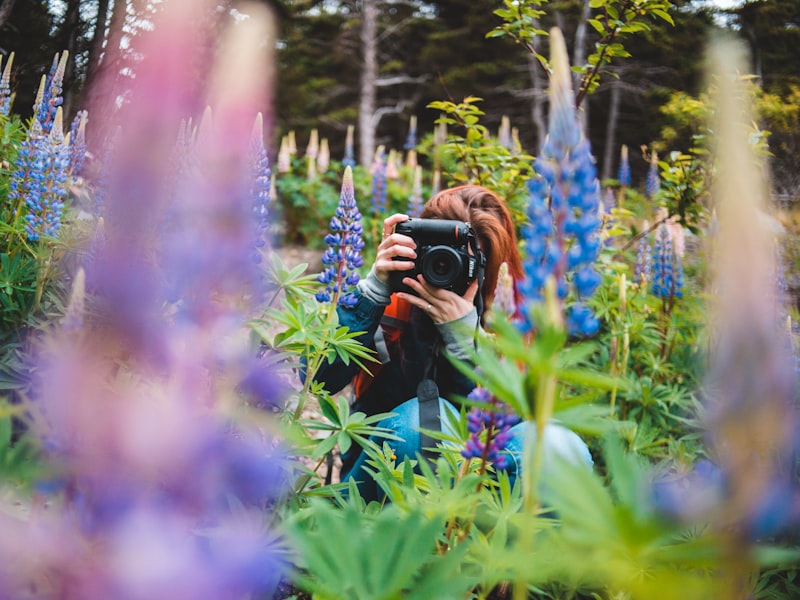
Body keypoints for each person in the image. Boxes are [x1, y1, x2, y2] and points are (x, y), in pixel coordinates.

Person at [314, 185, 591, 501]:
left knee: (559, 448)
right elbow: (318, 380)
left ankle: (517, 547)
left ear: (491, 267)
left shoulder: (513, 312)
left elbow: (513, 426)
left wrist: (468, 343)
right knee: (422, 423)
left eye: (463, 262)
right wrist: (372, 293)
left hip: (482, 491)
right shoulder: (392, 300)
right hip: (383, 475)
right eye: (436, 255)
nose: (444, 268)